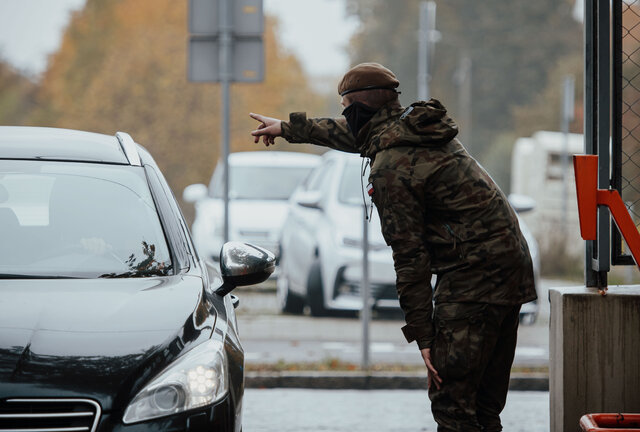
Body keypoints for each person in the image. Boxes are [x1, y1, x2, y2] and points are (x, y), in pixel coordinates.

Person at [249, 62, 537, 432]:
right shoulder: (416, 129)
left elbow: (409, 256)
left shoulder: (391, 167)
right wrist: (288, 128)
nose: (344, 118)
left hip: (473, 280)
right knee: (483, 407)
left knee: (452, 404)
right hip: (509, 269)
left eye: (346, 109)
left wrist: (424, 337)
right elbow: (358, 134)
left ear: (356, 109)